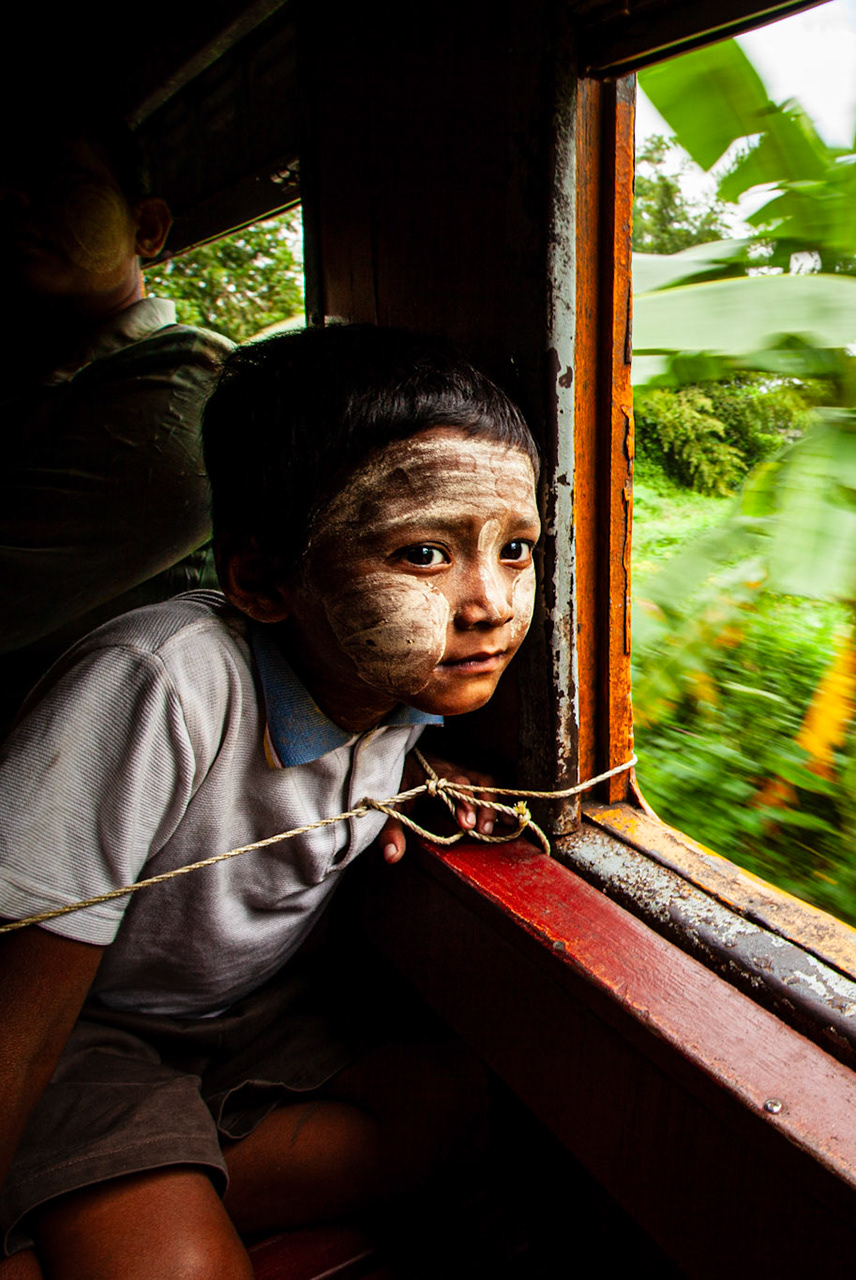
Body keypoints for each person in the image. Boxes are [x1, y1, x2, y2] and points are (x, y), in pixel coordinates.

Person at [0, 324, 541, 1278]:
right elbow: (21, 1018)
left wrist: (429, 780)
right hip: (91, 1035)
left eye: (516, 548)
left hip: (245, 1020)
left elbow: (339, 760)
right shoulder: (158, 686)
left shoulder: (398, 687)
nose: (490, 602)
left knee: (459, 1114)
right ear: (259, 580)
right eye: (423, 554)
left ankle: (129, 1197)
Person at [0, 107, 234, 723]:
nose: (13, 198)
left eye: (62, 183)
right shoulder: (43, 389)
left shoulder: (189, 378)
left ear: (149, 228)